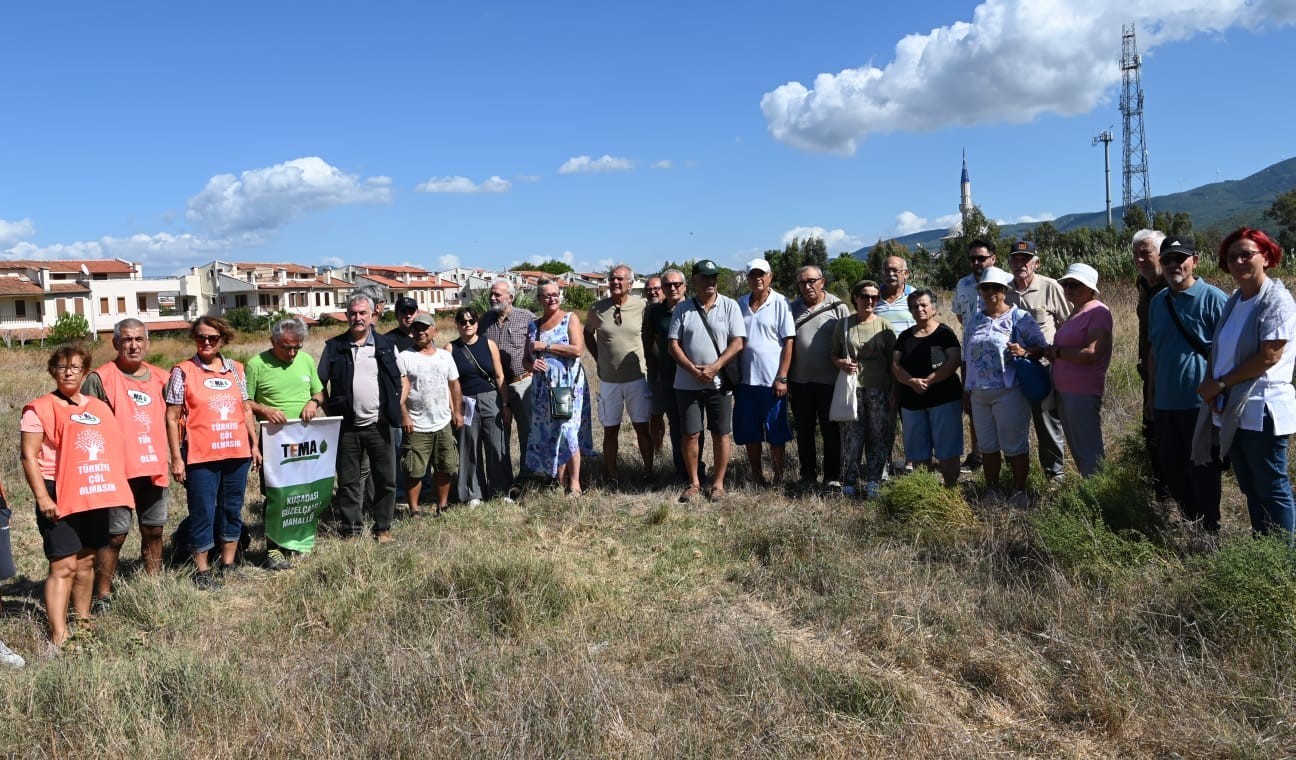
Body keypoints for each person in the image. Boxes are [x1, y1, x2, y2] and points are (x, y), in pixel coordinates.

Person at [22, 345, 133, 644]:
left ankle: (83, 623)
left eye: (75, 367)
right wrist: (43, 498)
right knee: (63, 564)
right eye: (61, 366)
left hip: (93, 488)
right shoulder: (39, 408)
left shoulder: (98, 407)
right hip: (56, 489)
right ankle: (59, 635)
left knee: (86, 560)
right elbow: (28, 457)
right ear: (52, 371)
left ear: (86, 372)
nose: (68, 371)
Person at [1195, 228, 1296, 538]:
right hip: (1235, 408)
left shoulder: (1275, 299)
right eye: (1231, 257)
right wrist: (1214, 384)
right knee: (1251, 485)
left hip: (1262, 407)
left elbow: (1269, 356)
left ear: (1265, 257)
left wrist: (1221, 383)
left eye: (1246, 254)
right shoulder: (1236, 300)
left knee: (1271, 485)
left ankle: (1282, 558)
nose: (1238, 261)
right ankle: (1263, 546)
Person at [165, 317, 260, 589]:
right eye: (201, 337)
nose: (206, 342)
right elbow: (171, 418)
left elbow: (246, 410)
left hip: (236, 453)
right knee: (202, 511)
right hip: (200, 456)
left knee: (232, 508)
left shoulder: (236, 370)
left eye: (213, 338)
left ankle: (228, 564)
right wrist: (176, 458)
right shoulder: (182, 372)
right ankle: (202, 570)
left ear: (223, 340)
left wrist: (254, 445)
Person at [80, 318, 169, 610]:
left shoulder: (161, 378)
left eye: (139, 339)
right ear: (116, 343)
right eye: (127, 339)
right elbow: (87, 423)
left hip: (153, 467)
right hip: (116, 470)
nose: (133, 345)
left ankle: (154, 584)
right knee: (115, 534)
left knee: (154, 529)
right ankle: (103, 594)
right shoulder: (101, 378)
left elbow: (176, 417)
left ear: (147, 343)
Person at [1148, 236, 1226, 532]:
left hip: (1200, 403)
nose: (1172, 265)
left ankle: (1211, 529)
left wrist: (1221, 393)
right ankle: (1190, 521)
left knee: (1203, 467)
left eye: (1179, 258)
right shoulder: (1159, 302)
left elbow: (1228, 352)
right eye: (1166, 259)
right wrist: (1150, 397)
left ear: (1195, 260)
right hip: (1165, 402)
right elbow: (1154, 351)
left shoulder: (1214, 298)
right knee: (1173, 468)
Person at [318, 294, 402, 542]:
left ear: (371, 314)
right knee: (348, 482)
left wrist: (392, 409)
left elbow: (401, 380)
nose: (358, 317)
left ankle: (383, 528)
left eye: (362, 313)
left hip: (380, 425)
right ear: (347, 315)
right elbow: (318, 384)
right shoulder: (334, 346)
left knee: (386, 480)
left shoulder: (386, 344)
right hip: (347, 428)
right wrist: (331, 413)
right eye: (353, 313)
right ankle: (352, 529)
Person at [963, 267, 1047, 507]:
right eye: (985, 288)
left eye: (996, 288)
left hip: (1009, 391)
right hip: (979, 393)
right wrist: (966, 389)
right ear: (980, 291)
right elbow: (966, 357)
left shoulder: (1019, 318)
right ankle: (992, 490)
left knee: (1014, 444)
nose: (990, 292)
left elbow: (1041, 347)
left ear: (1005, 291)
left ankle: (1020, 490)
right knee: (987, 445)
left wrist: (1024, 351)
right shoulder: (975, 320)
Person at [245, 316, 325, 569]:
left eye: (296, 347)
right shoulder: (256, 364)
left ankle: (296, 541)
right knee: (277, 495)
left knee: (303, 492)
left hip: (304, 441)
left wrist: (313, 403)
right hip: (274, 442)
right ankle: (273, 549)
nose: (292, 353)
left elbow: (319, 392)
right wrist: (265, 410)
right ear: (273, 341)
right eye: (286, 347)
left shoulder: (306, 361)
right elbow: (245, 403)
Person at [668, 259, 745, 502]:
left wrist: (714, 367)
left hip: (719, 384)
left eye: (714, 277)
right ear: (695, 281)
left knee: (721, 434)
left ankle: (718, 484)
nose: (710, 282)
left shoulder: (730, 306)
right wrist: (692, 369)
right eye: (705, 277)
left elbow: (738, 342)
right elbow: (673, 345)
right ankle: (693, 483)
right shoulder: (682, 309)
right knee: (690, 434)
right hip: (687, 384)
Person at [584, 264, 654, 487]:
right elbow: (587, 335)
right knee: (610, 430)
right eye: (612, 278)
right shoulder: (597, 309)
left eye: (620, 279)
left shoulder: (642, 307)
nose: (615, 282)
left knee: (642, 428)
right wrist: (598, 358)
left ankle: (649, 472)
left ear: (630, 284)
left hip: (637, 378)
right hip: (608, 381)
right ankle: (611, 475)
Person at [1006, 240, 1069, 481]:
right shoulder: (1004, 290)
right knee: (1012, 421)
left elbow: (1067, 322)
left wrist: (1057, 355)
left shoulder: (1050, 287)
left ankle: (1055, 474)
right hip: (1011, 370)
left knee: (1046, 421)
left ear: (1036, 262)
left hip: (1042, 368)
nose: (1020, 264)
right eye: (1016, 259)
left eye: (1026, 259)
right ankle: (1015, 473)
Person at [1043, 263, 1112, 477]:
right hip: (1067, 391)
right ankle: (1092, 490)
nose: (1069, 289)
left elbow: (1092, 352)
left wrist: (1058, 353)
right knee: (1079, 448)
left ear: (1090, 289)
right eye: (1066, 284)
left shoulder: (1098, 312)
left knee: (1088, 449)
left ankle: (1099, 497)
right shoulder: (1077, 311)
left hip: (1082, 391)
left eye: (1075, 285)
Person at [891, 289, 963, 487]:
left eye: (923, 305)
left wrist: (930, 380)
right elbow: (896, 365)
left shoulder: (944, 333)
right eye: (915, 306)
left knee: (947, 450)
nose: (919, 309)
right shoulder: (905, 337)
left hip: (944, 400)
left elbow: (953, 360)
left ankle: (950, 489)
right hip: (912, 403)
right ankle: (927, 491)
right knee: (918, 452)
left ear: (934, 308)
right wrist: (911, 381)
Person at [832, 279, 896, 499]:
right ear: (856, 298)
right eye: (865, 296)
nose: (870, 301)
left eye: (874, 297)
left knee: (878, 436)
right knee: (851, 437)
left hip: (879, 389)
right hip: (852, 390)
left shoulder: (885, 326)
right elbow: (833, 353)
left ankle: (874, 481)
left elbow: (893, 361)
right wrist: (840, 363)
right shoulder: (843, 325)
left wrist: (893, 390)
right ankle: (849, 481)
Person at [789, 265, 849, 491]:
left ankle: (833, 475)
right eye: (803, 282)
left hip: (830, 382)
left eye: (812, 281)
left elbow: (847, 343)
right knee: (804, 431)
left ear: (822, 282)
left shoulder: (838, 307)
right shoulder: (791, 308)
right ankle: (808, 474)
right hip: (799, 382)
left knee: (831, 432)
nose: (807, 286)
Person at [523, 279, 587, 495]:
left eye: (555, 294)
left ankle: (575, 483)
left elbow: (578, 350)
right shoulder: (533, 326)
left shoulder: (570, 319)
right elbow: (525, 359)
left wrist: (547, 347)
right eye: (546, 295)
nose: (551, 298)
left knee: (568, 431)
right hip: (542, 387)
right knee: (552, 433)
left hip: (567, 385)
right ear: (539, 299)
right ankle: (557, 480)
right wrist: (532, 364)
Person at [735, 258, 795, 486]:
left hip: (772, 381)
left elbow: (788, 341)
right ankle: (757, 474)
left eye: (762, 274)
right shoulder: (739, 304)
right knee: (751, 432)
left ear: (770, 277)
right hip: (745, 381)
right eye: (752, 275)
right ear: (747, 278)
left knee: (776, 431)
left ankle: (779, 476)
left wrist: (782, 377)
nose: (757, 279)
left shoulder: (780, 302)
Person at [399, 313, 463, 515]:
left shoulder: (445, 356)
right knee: (414, 471)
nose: (421, 332)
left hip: (442, 421)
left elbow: (454, 385)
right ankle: (414, 510)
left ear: (434, 331)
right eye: (416, 329)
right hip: (417, 423)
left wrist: (457, 412)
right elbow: (400, 390)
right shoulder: (404, 357)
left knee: (445, 467)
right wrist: (405, 416)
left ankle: (442, 506)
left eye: (425, 328)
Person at [950, 239, 1005, 473]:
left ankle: (1007, 454)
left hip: (1001, 357)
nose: (976, 262)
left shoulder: (1004, 281)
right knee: (973, 404)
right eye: (972, 258)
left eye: (981, 258)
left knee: (1005, 405)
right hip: (971, 355)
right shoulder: (962, 285)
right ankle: (977, 454)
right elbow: (962, 317)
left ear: (993, 258)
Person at [645, 268, 704, 484]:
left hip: (696, 374)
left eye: (677, 284)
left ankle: (698, 469)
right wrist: (654, 372)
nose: (672, 288)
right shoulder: (655, 312)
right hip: (668, 376)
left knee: (694, 426)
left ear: (685, 286)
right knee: (676, 425)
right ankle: (681, 469)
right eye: (668, 285)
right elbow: (648, 342)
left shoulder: (697, 307)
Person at [449, 306, 509, 506]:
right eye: (463, 321)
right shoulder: (451, 348)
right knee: (469, 447)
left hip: (491, 398)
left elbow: (499, 376)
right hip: (465, 401)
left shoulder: (488, 344)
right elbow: (449, 383)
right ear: (457, 324)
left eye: (471, 321)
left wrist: (505, 403)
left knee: (496, 445)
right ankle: (473, 493)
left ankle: (500, 489)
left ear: (477, 323)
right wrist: (454, 409)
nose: (467, 325)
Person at [480, 278, 537, 483]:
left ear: (511, 298)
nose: (493, 298)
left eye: (497, 294)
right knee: (499, 433)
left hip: (522, 383)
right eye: (491, 294)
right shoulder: (484, 320)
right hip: (495, 387)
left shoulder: (527, 318)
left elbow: (539, 343)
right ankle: (501, 481)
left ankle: (527, 477)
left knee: (527, 432)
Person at [1132, 229, 1170, 498]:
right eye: (1136, 254)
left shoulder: (1172, 287)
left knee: (1171, 432)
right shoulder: (1143, 284)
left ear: (1161, 254)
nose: (1140, 260)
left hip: (1171, 373)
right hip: (1149, 370)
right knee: (1152, 430)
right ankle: (1162, 490)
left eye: (1145, 253)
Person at [643, 275, 667, 455]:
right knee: (656, 414)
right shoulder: (644, 312)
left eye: (656, 288)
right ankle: (658, 450)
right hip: (653, 371)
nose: (652, 292)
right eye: (649, 289)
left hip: (676, 371)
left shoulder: (677, 309)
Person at [874, 255, 916, 334]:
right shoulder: (872, 297)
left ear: (906, 274)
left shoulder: (916, 296)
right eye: (887, 271)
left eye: (895, 270)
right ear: (882, 275)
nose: (891, 274)